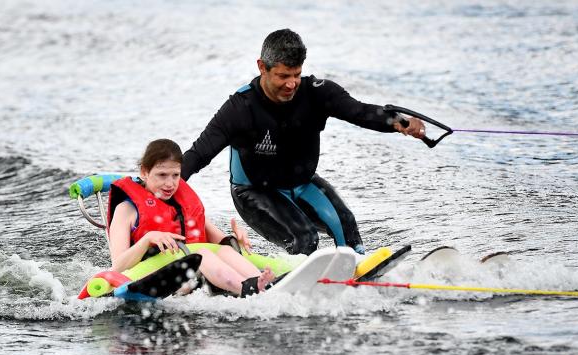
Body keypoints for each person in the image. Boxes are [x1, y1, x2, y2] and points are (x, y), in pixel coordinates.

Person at [180, 29, 427, 256]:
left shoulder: (317, 93)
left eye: (296, 74)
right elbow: (199, 154)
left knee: (347, 226)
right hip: (255, 192)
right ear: (262, 68)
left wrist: (398, 122)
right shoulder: (239, 108)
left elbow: (359, 111)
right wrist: (154, 189)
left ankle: (360, 275)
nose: (291, 84)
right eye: (283, 76)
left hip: (303, 184)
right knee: (305, 239)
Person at [107, 139, 274, 297]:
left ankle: (263, 284)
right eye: (162, 175)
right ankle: (248, 289)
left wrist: (238, 240)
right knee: (201, 255)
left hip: (196, 277)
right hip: (154, 281)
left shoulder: (184, 204)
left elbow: (220, 242)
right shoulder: (126, 210)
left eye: (175, 175)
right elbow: (118, 267)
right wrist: (147, 239)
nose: (170, 184)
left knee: (225, 250)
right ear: (144, 172)